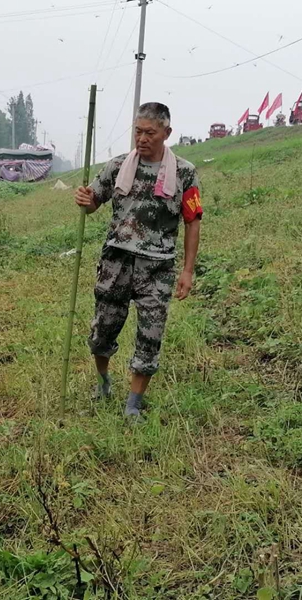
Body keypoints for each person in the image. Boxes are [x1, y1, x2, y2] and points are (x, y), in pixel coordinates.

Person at [74, 102, 202, 417]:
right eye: (138, 132)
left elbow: (193, 221)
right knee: (103, 332)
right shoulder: (118, 166)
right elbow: (93, 203)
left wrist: (188, 271)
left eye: (150, 133)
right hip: (116, 263)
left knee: (150, 336)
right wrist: (85, 200)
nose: (142, 139)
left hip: (157, 268)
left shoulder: (184, 172)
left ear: (166, 133)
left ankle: (133, 404)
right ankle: (103, 382)